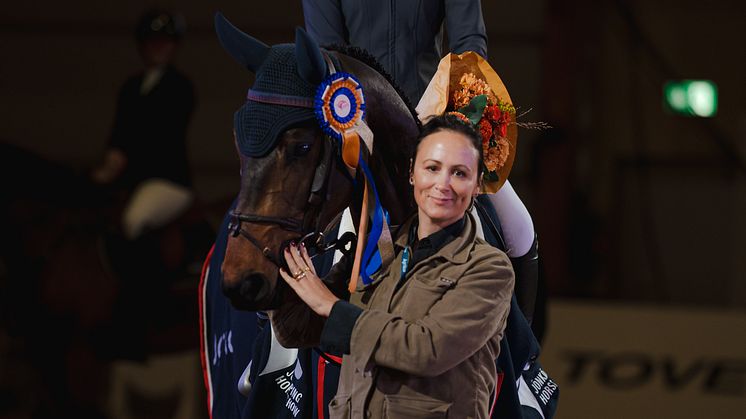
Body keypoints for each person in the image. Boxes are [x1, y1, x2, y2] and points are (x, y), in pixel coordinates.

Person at [279, 114, 515, 418]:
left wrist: (332, 306)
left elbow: (427, 349)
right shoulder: (378, 249)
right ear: (412, 174)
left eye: (459, 173)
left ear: (477, 185)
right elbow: (302, 328)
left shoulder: (488, 268)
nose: (443, 184)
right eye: (432, 168)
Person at [92, 9, 195, 239]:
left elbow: (159, 138)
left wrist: (119, 165)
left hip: (166, 180)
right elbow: (119, 135)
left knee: (134, 219)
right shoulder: (131, 87)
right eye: (153, 41)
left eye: (166, 41)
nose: (159, 47)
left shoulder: (180, 87)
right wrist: (106, 167)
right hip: (131, 178)